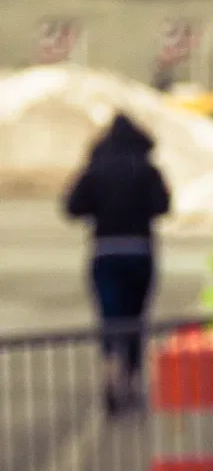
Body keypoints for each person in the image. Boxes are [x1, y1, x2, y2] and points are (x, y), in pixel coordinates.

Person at [64, 112, 170, 415]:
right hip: (140, 250)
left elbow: (72, 206)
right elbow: (163, 205)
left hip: (105, 251)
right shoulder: (147, 168)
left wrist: (100, 210)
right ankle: (133, 381)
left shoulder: (96, 168)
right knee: (136, 318)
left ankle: (112, 371)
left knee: (111, 317)